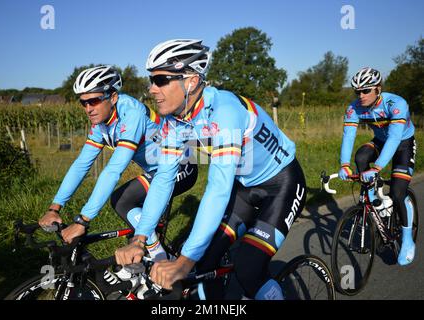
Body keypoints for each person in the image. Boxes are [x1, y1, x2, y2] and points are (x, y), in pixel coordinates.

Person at [114, 39, 307, 300]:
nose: (151, 89)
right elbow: (163, 181)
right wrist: (139, 237)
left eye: (160, 80)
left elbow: (217, 188)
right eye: (151, 80)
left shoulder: (224, 111)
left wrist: (183, 262)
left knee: (249, 268)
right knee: (203, 263)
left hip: (281, 184)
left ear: (191, 81)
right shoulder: (175, 121)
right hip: (244, 189)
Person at [39, 65, 197, 264]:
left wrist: (83, 220)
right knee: (128, 208)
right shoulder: (101, 123)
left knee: (122, 199)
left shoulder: (132, 113)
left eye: (94, 101)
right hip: (157, 171)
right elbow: (81, 164)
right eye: (83, 103)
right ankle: (148, 254)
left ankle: (160, 260)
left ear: (112, 97)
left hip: (183, 165)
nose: (89, 109)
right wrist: (55, 207)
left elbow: (114, 169)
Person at [338, 67, 417, 266]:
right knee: (361, 156)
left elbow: (395, 137)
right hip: (381, 141)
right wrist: (344, 165)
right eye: (357, 92)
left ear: (378, 89)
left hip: (403, 145)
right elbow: (349, 137)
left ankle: (407, 240)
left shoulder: (396, 103)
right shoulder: (354, 108)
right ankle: (375, 203)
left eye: (366, 90)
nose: (361, 95)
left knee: (398, 193)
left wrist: (378, 168)